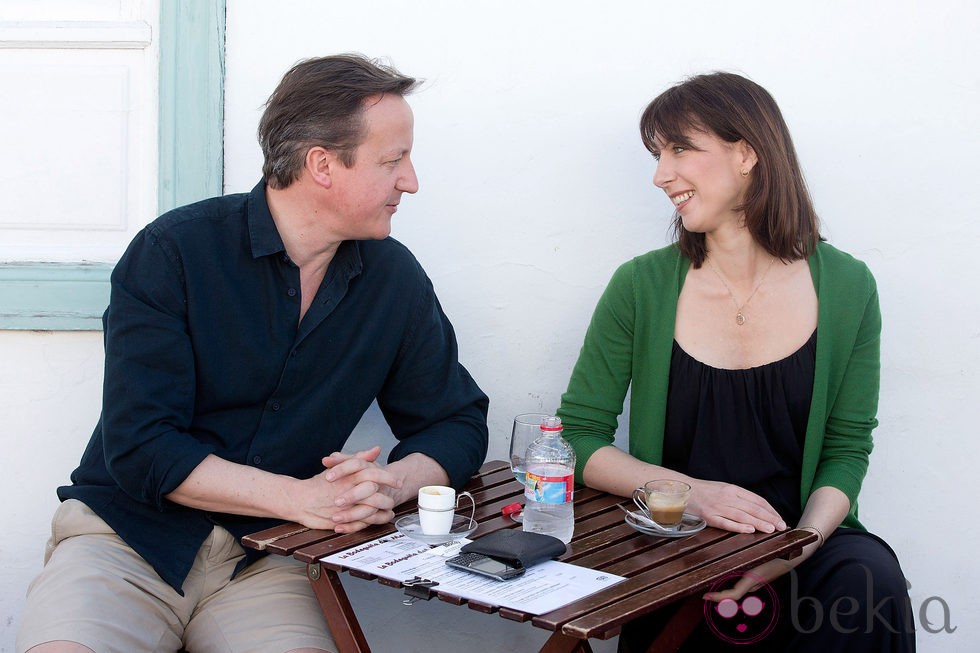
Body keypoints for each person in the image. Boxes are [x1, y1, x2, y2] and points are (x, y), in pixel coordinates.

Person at [17, 54, 489, 653]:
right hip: (126, 542)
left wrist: (387, 485)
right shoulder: (175, 251)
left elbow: (457, 420)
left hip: (265, 557)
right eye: (393, 160)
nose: (411, 180)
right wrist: (305, 498)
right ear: (322, 164)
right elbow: (142, 447)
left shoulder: (393, 279)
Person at [556, 72, 914, 651]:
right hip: (679, 545)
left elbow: (848, 448)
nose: (659, 174)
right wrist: (687, 491)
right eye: (656, 154)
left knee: (868, 579)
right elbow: (577, 436)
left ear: (747, 152)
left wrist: (799, 543)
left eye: (679, 149)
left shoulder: (848, 285)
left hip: (801, 543)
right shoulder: (641, 285)